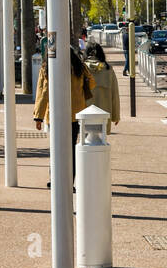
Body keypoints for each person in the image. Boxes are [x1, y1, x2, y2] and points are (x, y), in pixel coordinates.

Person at [33, 45, 94, 183]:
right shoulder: (80, 67)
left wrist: (38, 116)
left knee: (56, 147)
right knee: (71, 147)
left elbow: (43, 92)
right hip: (75, 113)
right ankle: (70, 180)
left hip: (55, 114)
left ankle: (54, 178)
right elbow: (91, 83)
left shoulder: (48, 68)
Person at [83, 41, 121, 133]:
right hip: (104, 113)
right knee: (101, 141)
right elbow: (114, 94)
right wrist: (116, 116)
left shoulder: (82, 68)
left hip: (84, 112)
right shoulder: (108, 69)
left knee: (86, 140)